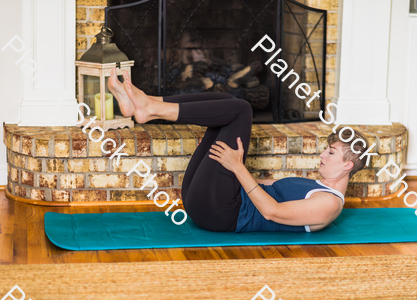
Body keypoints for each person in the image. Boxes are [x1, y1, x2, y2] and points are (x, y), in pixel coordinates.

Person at [107, 67, 370, 233]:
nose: (322, 155)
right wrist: (217, 169)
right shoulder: (316, 186)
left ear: (348, 165)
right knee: (228, 102)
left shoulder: (329, 204)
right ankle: (148, 103)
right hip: (209, 202)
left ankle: (149, 108)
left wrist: (236, 166)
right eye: (327, 149)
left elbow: (271, 212)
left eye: (331, 153)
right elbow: (262, 185)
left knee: (242, 109)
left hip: (222, 215)